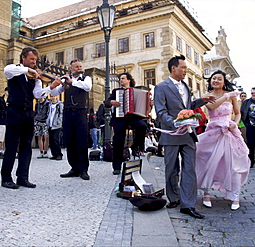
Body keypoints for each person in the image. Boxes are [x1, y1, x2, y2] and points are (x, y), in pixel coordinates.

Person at [154, 55, 216, 219]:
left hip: (189, 134)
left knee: (189, 169)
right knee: (171, 169)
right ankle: (173, 198)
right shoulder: (161, 87)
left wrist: (201, 100)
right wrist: (175, 122)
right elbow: (161, 112)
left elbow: (188, 107)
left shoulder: (186, 86)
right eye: (183, 68)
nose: (186, 71)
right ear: (173, 68)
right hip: (171, 135)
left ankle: (188, 204)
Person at [1, 47, 61, 189]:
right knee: (11, 145)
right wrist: (27, 70)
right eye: (31, 59)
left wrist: (50, 87)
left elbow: (37, 94)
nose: (34, 62)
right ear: (23, 58)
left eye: (35, 59)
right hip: (14, 111)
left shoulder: (35, 78)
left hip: (28, 113)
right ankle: (6, 178)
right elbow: (6, 70)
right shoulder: (15, 70)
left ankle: (22, 177)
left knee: (26, 146)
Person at [196, 71, 251, 210]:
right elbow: (212, 107)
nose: (216, 81)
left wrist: (235, 123)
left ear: (224, 81)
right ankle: (206, 193)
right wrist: (226, 96)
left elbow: (237, 113)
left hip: (230, 131)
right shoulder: (207, 96)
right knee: (209, 161)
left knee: (233, 163)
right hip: (213, 130)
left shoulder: (231, 96)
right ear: (210, 81)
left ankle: (235, 196)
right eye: (214, 78)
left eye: (219, 79)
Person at [50, 59, 92, 180]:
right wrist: (56, 83)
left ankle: (83, 169)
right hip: (68, 112)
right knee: (70, 141)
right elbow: (56, 91)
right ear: (71, 68)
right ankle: (74, 168)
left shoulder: (86, 79)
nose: (79, 68)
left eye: (80, 66)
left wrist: (72, 81)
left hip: (80, 112)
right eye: (76, 67)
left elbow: (87, 87)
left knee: (82, 140)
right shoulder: (66, 81)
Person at [105, 72, 148, 175]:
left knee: (142, 126)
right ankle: (117, 167)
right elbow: (106, 102)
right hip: (120, 118)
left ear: (129, 80)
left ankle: (135, 146)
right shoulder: (116, 92)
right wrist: (111, 102)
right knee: (118, 141)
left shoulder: (136, 91)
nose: (121, 80)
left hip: (133, 117)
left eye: (123, 78)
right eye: (120, 79)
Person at [241, 87, 255, 168]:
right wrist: (246, 123)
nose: (254, 95)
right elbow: (242, 113)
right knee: (250, 144)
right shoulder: (246, 102)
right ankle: (251, 161)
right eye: (252, 93)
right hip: (250, 126)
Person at [47, 95, 64, 160]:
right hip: (50, 124)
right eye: (51, 96)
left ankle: (59, 154)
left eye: (53, 96)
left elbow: (61, 113)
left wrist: (59, 121)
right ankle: (54, 153)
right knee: (51, 140)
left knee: (55, 139)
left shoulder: (59, 104)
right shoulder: (49, 105)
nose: (52, 98)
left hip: (56, 124)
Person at [0, 87, 9, 159]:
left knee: (6, 136)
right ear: (5, 92)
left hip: (8, 120)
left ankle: (5, 150)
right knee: (0, 136)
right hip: (2, 119)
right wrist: (2, 112)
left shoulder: (10, 100)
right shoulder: (0, 100)